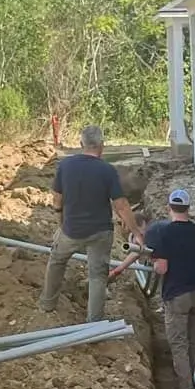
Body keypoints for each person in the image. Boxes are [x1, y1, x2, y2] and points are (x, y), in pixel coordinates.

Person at [39, 125, 136, 324]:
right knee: (97, 276)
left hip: (71, 229)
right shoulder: (107, 170)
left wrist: (60, 221)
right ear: (102, 145)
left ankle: (47, 305)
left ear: (81, 144)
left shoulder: (66, 166)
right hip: (100, 232)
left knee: (57, 261)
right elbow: (122, 206)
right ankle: (94, 322)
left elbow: (57, 199)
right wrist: (136, 232)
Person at [137, 188, 195, 389]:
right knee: (190, 343)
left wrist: (153, 260)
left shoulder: (165, 233)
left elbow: (162, 267)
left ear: (169, 208)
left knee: (178, 346)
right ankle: (191, 385)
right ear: (188, 208)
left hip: (176, 296)